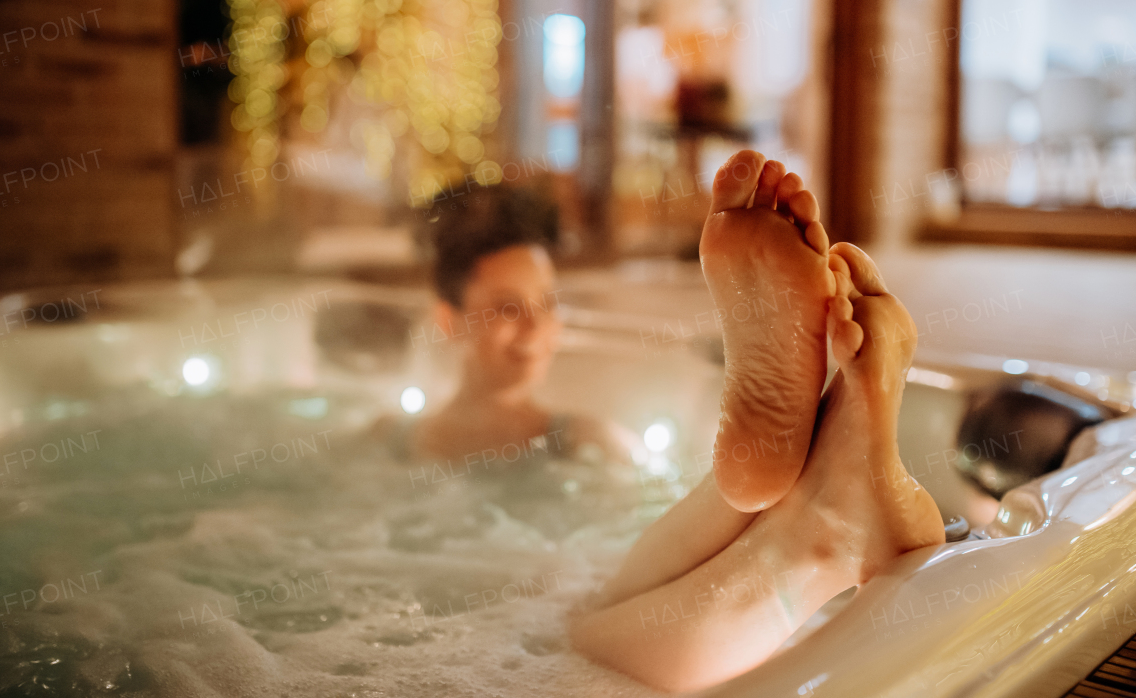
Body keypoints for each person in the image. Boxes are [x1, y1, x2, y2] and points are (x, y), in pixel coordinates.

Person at [570, 151, 945, 692]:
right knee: (582, 635)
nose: (533, 326)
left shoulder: (568, 428)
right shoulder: (409, 436)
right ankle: (820, 511)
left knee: (584, 625)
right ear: (449, 313)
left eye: (541, 304)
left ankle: (801, 497)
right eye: (507, 309)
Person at [386, 182, 638, 464]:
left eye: (547, 304)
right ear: (449, 321)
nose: (535, 326)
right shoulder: (389, 443)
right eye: (507, 307)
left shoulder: (592, 445)